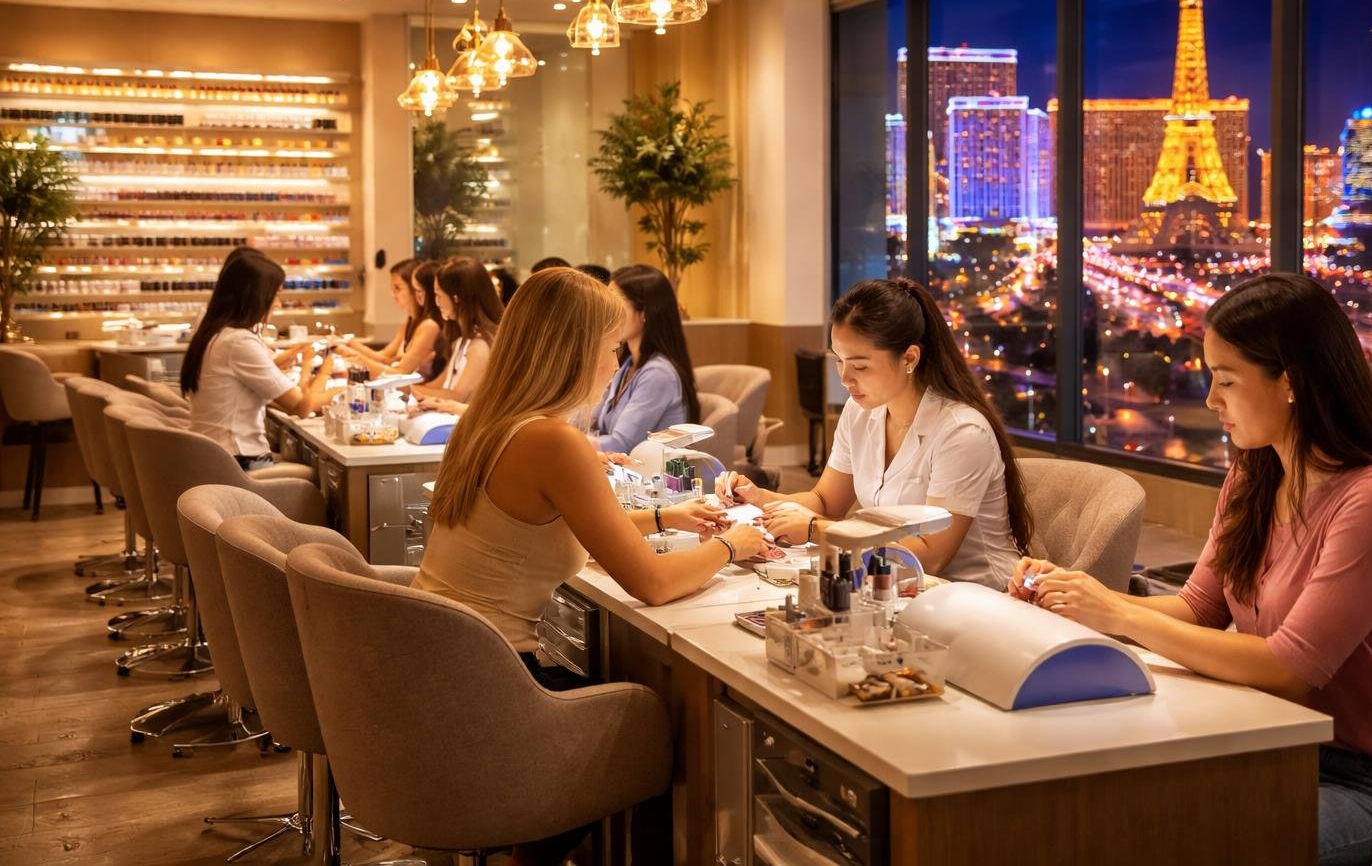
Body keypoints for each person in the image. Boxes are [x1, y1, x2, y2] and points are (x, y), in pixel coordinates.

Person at [1006, 273, 1372, 866]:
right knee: (1100, 812)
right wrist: (1076, 600)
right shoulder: (1255, 474)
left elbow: (1288, 670)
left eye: (1225, 380)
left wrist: (1117, 610)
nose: (1209, 400)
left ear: (1291, 384)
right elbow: (1198, 607)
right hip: (1276, 741)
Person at [413, 267, 765, 687]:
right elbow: (654, 583)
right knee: (653, 706)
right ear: (576, 351)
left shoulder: (485, 422)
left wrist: (665, 517)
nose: (616, 365)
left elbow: (552, 526)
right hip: (488, 678)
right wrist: (732, 545)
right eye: (613, 348)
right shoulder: (553, 441)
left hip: (436, 655)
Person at [716, 277, 1034, 588]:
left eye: (860, 366)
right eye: (839, 361)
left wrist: (816, 530)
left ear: (909, 358)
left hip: (974, 596)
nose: (844, 379)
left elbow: (931, 555)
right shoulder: (862, 412)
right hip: (892, 586)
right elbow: (825, 501)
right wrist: (760, 498)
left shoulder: (961, 432)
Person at [180, 250, 336, 470]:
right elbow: (302, 406)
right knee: (317, 481)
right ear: (256, 296)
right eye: (276, 295)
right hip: (237, 462)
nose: (279, 304)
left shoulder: (215, 333)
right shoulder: (239, 342)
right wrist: (336, 384)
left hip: (215, 459)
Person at [589, 265, 700, 455]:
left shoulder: (658, 374)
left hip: (653, 478)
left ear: (645, 313)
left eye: (616, 305)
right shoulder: (627, 365)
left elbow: (619, 445)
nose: (608, 314)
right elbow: (593, 421)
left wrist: (567, 440)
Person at [412, 256, 502, 407]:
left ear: (456, 298)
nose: (437, 302)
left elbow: (458, 396)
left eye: (439, 295)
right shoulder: (462, 341)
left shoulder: (480, 346)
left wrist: (407, 389)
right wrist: (409, 389)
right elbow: (442, 384)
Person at [338, 258, 442, 379]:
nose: (392, 294)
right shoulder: (409, 322)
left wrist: (354, 355)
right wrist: (349, 345)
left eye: (398, 288)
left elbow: (400, 372)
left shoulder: (429, 326)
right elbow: (383, 357)